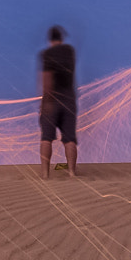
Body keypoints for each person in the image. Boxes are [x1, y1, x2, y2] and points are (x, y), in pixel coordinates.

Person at [37, 25, 77, 178]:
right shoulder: (69, 51)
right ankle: (72, 172)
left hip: (52, 101)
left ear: (50, 39)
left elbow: (47, 81)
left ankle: (45, 174)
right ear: (61, 38)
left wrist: (44, 103)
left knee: (46, 138)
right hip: (69, 100)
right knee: (69, 139)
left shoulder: (47, 54)